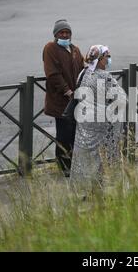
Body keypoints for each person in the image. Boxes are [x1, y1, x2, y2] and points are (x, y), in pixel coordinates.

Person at [70, 45, 125, 197]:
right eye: (107, 56)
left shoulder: (84, 73)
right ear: (100, 59)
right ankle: (100, 191)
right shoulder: (105, 77)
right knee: (101, 158)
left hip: (84, 123)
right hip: (101, 126)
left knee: (84, 158)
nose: (109, 59)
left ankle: (81, 191)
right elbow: (122, 99)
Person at [43, 19, 85, 177]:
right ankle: (64, 166)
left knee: (75, 132)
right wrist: (67, 91)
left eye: (67, 32)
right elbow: (52, 74)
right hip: (60, 100)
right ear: (56, 34)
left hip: (76, 100)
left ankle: (74, 163)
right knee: (64, 134)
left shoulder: (75, 49)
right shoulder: (50, 48)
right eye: (62, 32)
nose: (65, 35)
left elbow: (82, 68)